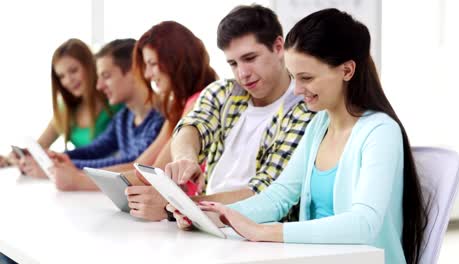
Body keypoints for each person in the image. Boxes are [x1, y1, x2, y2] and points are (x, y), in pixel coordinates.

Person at [171, 8, 428, 264]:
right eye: (294, 77)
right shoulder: (319, 125)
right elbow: (278, 196)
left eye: (306, 77)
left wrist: (264, 231)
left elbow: (364, 224)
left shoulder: (381, 131)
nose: (296, 89)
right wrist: (210, 215)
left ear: (347, 71)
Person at [129, 5, 313, 221]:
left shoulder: (304, 108)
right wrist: (185, 157)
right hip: (203, 221)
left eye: (250, 58)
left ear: (279, 47)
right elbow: (193, 126)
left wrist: (176, 205)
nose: (242, 73)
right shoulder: (224, 92)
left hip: (256, 233)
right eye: (233, 63)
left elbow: (264, 195)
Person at [47, 39, 165, 190]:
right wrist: (60, 158)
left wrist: (70, 167)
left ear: (134, 71)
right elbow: (95, 149)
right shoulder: (123, 117)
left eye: (106, 76)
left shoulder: (160, 119)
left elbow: (132, 163)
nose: (99, 86)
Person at [0, 39, 119, 172]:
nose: (68, 80)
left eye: (73, 71)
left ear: (90, 66)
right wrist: (11, 158)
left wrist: (58, 163)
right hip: (80, 180)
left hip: (102, 177)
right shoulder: (66, 110)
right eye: (61, 76)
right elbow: (39, 147)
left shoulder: (115, 102)